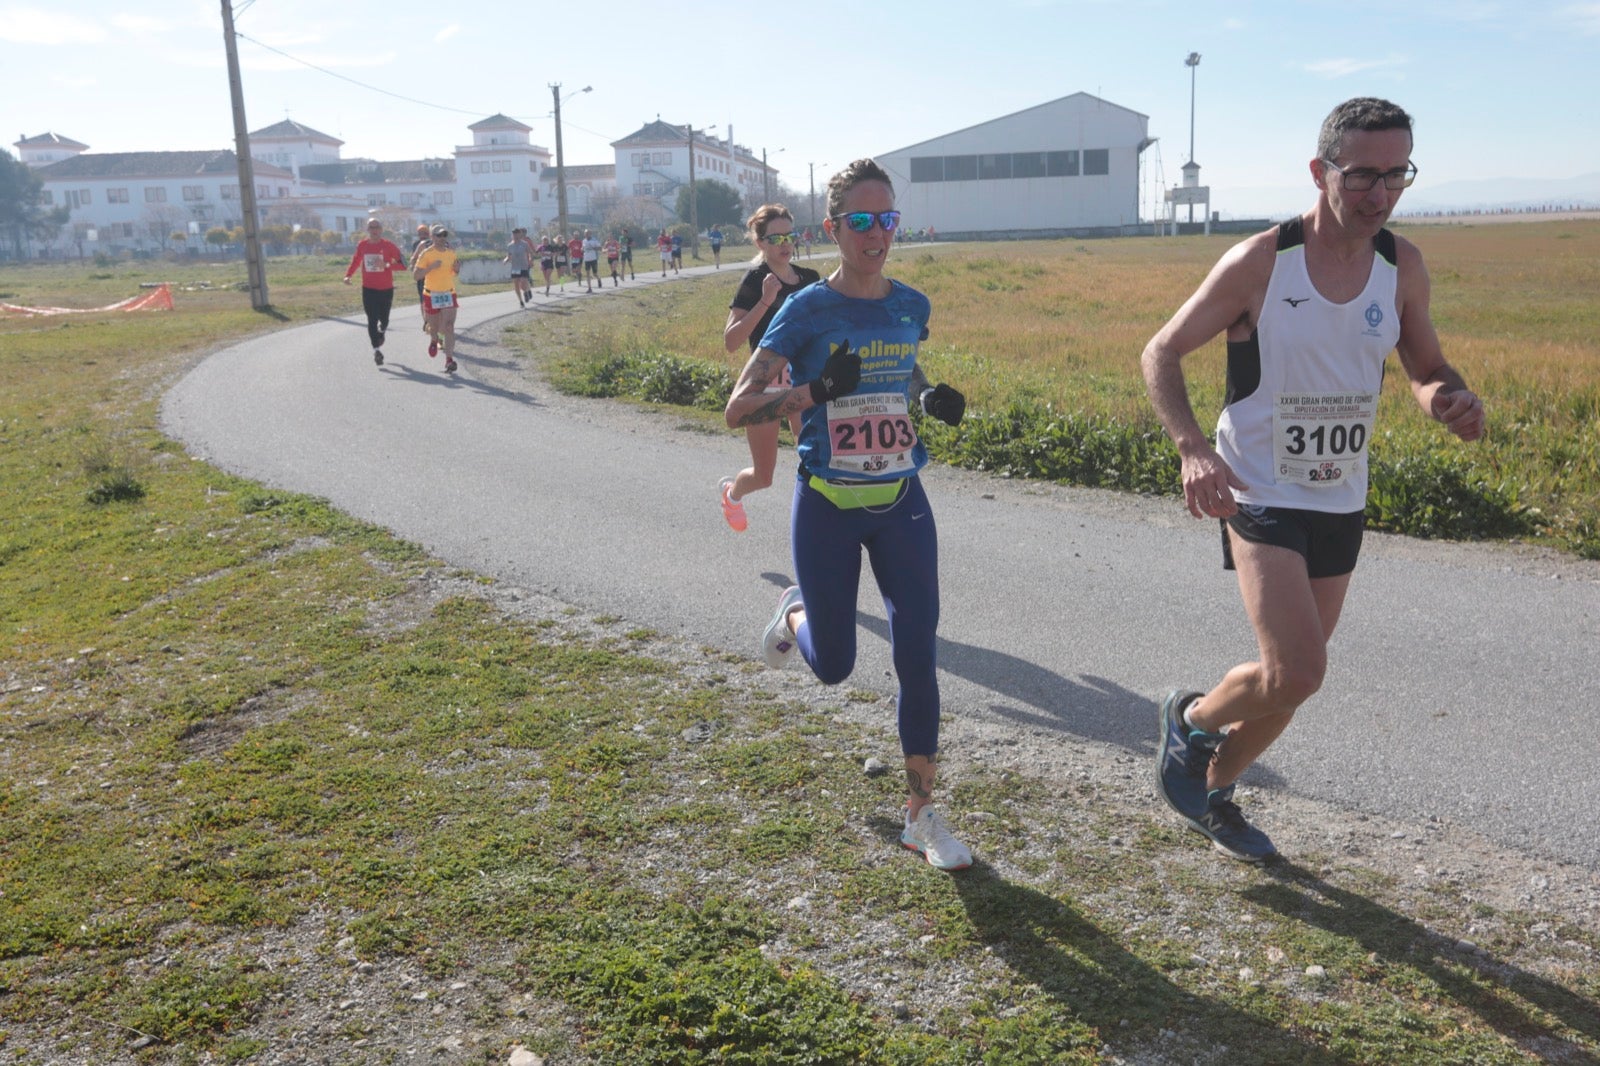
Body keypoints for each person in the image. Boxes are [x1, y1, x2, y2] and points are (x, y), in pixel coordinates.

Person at [1141, 97, 1486, 863]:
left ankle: (1213, 793)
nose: (1381, 193)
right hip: (1258, 489)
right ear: (1319, 170)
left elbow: (1425, 367)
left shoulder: (1401, 265)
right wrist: (1193, 449)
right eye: (1363, 174)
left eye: (1397, 175)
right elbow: (1160, 353)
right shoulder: (1262, 261)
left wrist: (1447, 400)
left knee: (1291, 680)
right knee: (1300, 666)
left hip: (1341, 492)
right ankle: (1192, 723)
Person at [723, 159, 970, 872]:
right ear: (833, 229)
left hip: (900, 501)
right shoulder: (805, 311)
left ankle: (921, 815)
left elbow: (902, 371)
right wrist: (814, 392)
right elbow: (740, 407)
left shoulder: (911, 306)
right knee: (834, 666)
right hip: (828, 504)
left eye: (886, 219)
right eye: (860, 221)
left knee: (917, 647)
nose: (875, 234)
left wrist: (926, 400)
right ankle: (793, 614)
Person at [716, 204, 821, 532]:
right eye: (775, 238)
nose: (784, 244)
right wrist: (765, 300)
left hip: (803, 380)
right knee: (764, 476)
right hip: (763, 384)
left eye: (789, 235)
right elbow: (732, 341)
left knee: (817, 462)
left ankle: (816, 528)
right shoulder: (755, 280)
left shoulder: (810, 280)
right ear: (760, 243)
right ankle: (732, 494)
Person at [343, 219, 407, 366]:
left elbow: (404, 265)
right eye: (371, 227)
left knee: (384, 320)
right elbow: (356, 261)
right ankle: (376, 351)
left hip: (386, 289)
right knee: (372, 320)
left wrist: (386, 265)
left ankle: (382, 331)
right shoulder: (362, 245)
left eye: (377, 227)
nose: (374, 230)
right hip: (368, 289)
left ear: (381, 229)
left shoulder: (388, 246)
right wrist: (348, 275)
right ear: (367, 229)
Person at [412, 225, 463, 375]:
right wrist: (430, 267)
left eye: (444, 235)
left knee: (449, 327)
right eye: (438, 236)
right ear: (432, 237)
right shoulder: (426, 254)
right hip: (431, 294)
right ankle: (434, 340)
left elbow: (453, 273)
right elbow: (416, 276)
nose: (441, 238)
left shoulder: (451, 253)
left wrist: (457, 269)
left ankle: (449, 360)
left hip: (448, 293)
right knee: (434, 328)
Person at [409, 223, 433, 325]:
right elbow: (413, 258)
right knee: (423, 299)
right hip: (421, 275)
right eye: (420, 233)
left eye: (424, 232)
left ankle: (435, 320)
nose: (422, 234)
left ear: (428, 233)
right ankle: (426, 321)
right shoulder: (416, 244)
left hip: (432, 275)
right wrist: (413, 267)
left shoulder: (433, 243)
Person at [505, 228, 534, 306]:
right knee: (516, 285)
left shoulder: (524, 244)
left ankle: (526, 291)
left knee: (523, 283)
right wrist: (505, 260)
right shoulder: (510, 245)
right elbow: (509, 256)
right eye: (514, 234)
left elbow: (530, 253)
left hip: (523, 266)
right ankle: (521, 301)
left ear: (520, 234)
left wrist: (530, 260)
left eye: (517, 234)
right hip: (515, 268)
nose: (515, 235)